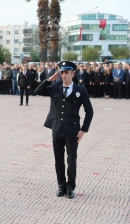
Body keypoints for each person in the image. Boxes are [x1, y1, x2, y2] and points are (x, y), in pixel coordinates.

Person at [34, 61, 94, 199]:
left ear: (73, 74)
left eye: (67, 72)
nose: (64, 75)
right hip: (57, 129)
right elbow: (37, 91)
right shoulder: (55, 86)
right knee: (58, 160)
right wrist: (49, 79)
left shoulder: (81, 91)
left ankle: (70, 187)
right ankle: (61, 186)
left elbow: (89, 112)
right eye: (62, 72)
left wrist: (83, 130)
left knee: (72, 159)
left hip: (72, 130)